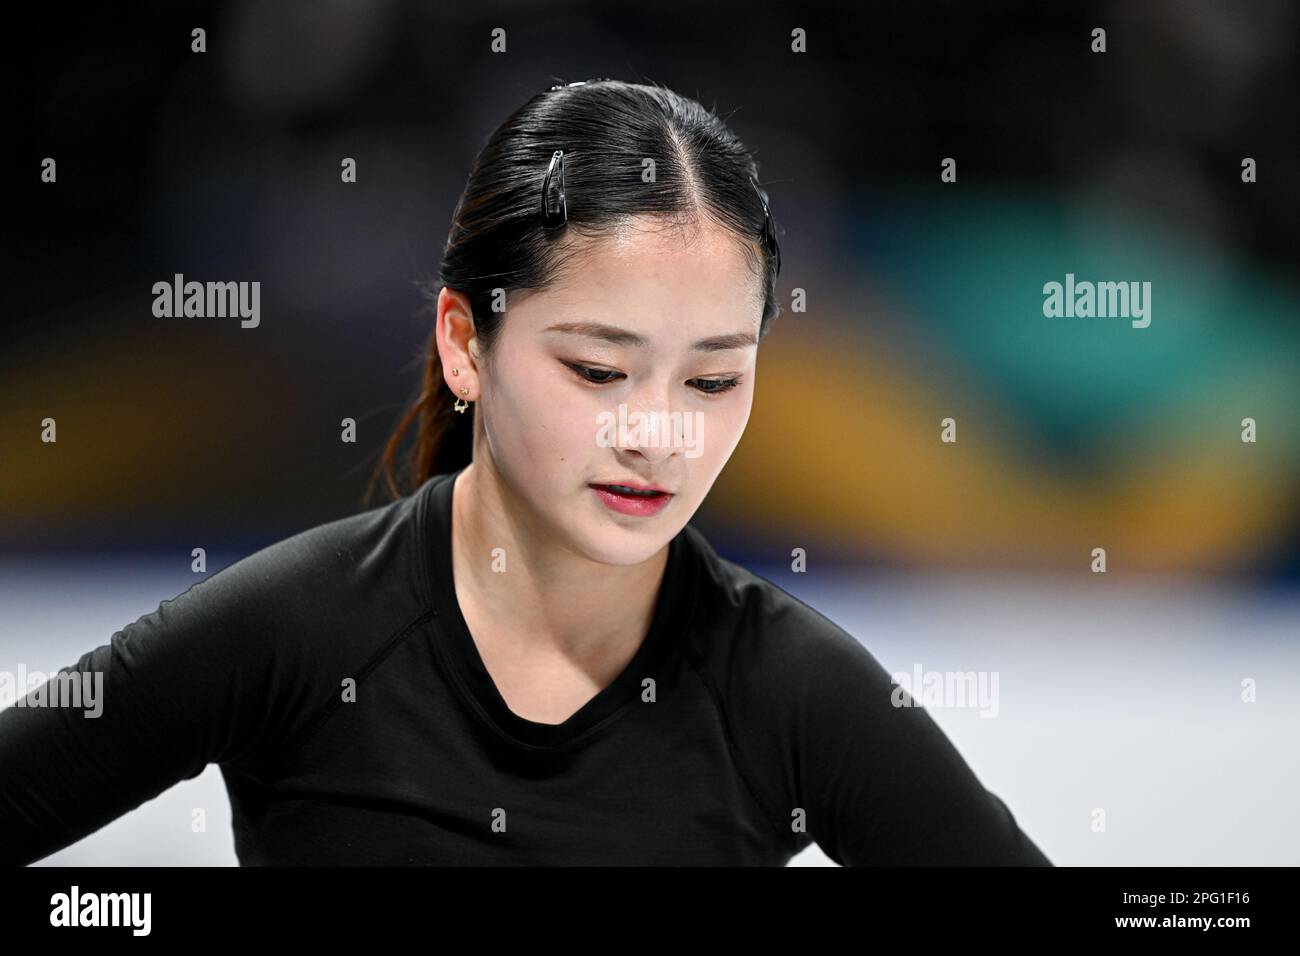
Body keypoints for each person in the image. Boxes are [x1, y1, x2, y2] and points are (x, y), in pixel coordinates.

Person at [0, 78, 1050, 866]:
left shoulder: (792, 690)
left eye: (714, 379)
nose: (659, 434)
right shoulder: (290, 632)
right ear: (465, 343)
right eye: (598, 368)